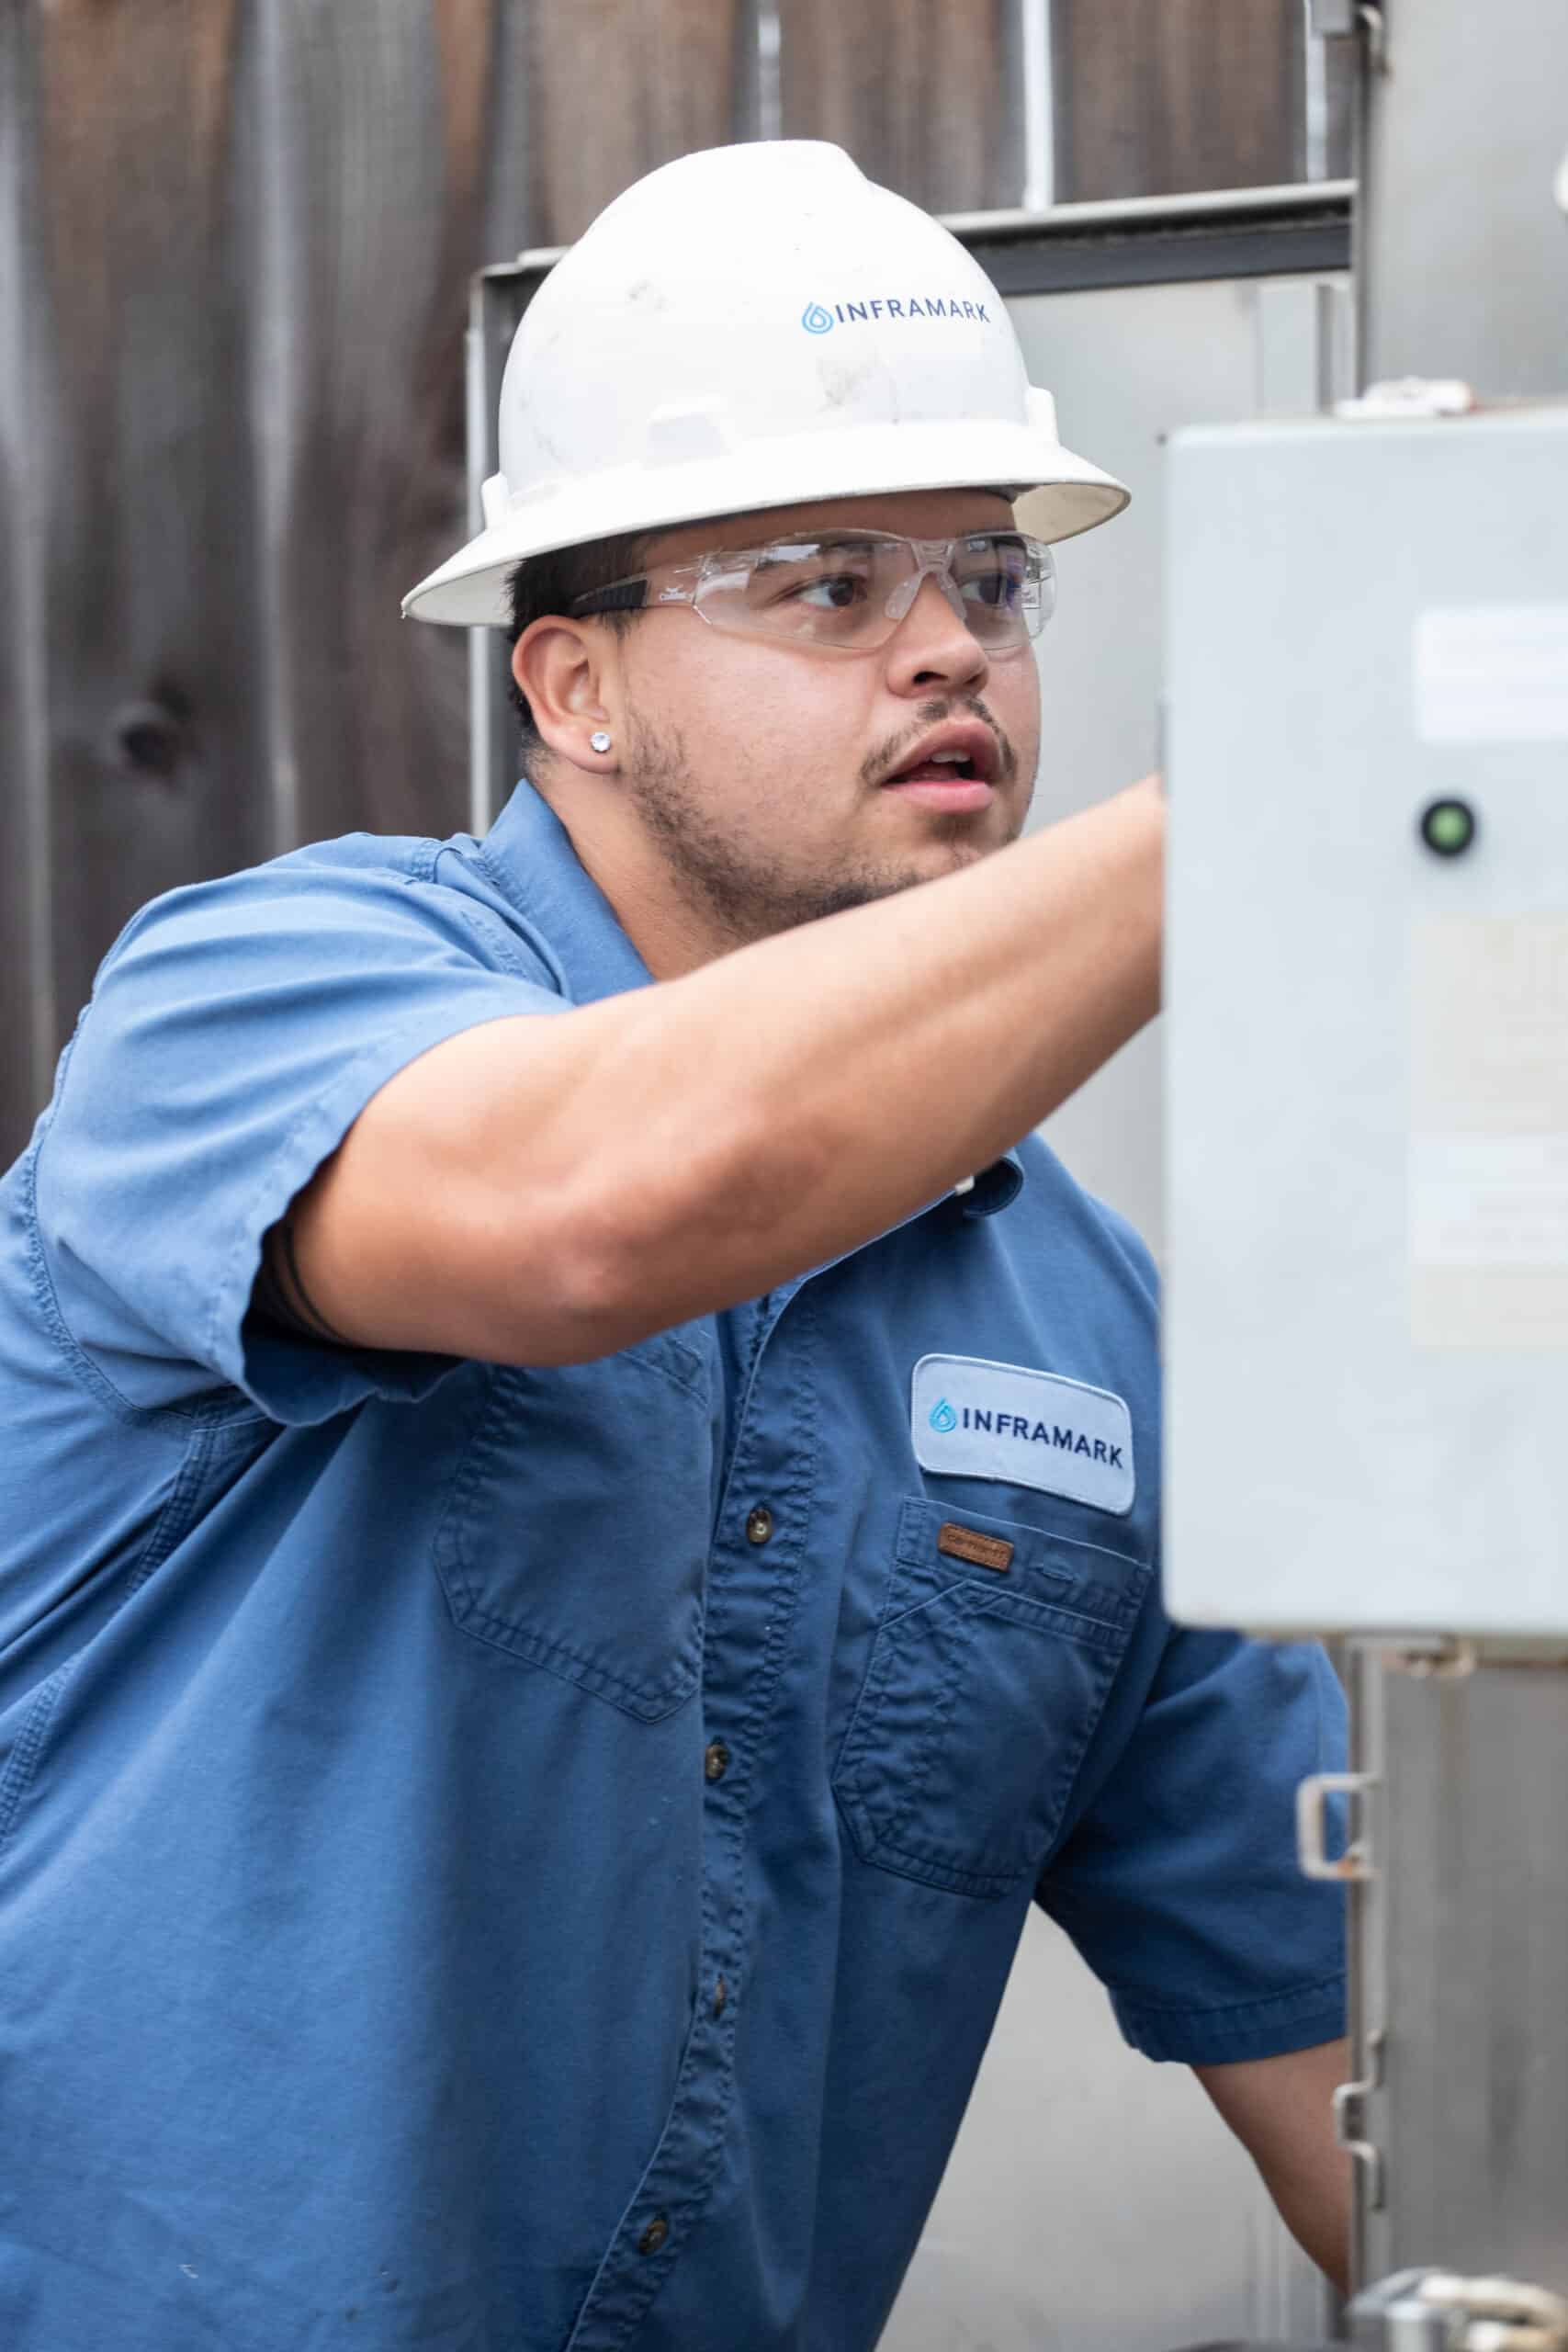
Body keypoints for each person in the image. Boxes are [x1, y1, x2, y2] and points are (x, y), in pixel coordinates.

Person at [0, 141, 1348, 2350]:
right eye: (827, 581)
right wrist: (1307, 774)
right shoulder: (256, 1000)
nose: (947, 649)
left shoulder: (1091, 1349)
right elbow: (597, 1206)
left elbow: (1365, 2085)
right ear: (570, 685)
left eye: (990, 585)